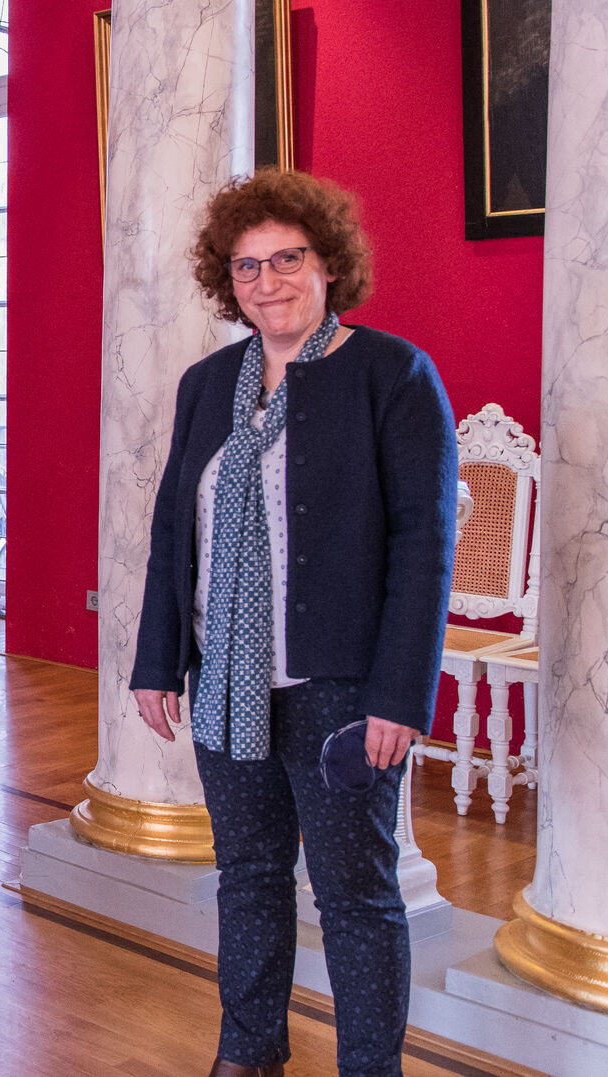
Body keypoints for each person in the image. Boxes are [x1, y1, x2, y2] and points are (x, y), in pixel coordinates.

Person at [130, 169, 457, 1077]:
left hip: (343, 690)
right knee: (248, 877)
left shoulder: (391, 375)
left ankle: (368, 1068)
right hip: (227, 685)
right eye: (246, 267)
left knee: (356, 894)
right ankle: (248, 1053)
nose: (266, 281)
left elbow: (424, 547)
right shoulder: (206, 386)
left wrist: (400, 696)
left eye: (287, 260)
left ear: (328, 265)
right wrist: (158, 662)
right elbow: (173, 532)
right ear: (224, 280)